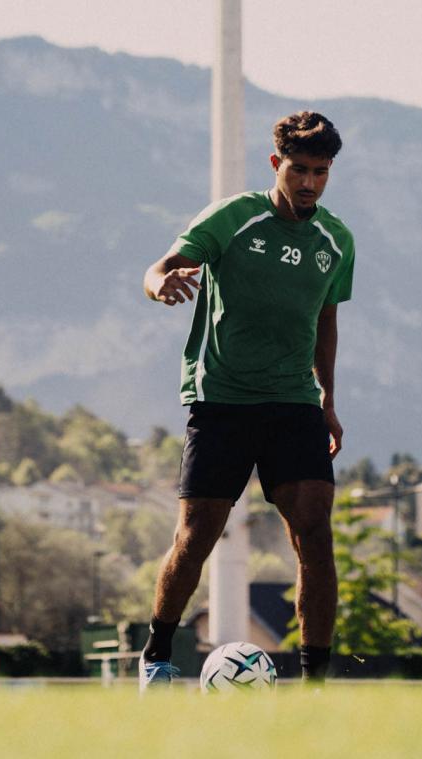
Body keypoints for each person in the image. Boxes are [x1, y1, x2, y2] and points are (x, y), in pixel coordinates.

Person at [138, 111, 354, 689]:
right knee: (198, 535)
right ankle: (156, 656)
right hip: (223, 400)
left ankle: (314, 684)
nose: (310, 182)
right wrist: (161, 283)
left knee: (315, 533)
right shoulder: (233, 218)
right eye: (300, 169)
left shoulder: (337, 240)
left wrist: (328, 400)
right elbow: (161, 267)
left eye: (322, 172)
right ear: (275, 163)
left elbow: (324, 320)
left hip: (295, 405)